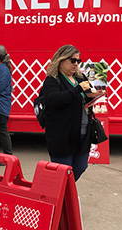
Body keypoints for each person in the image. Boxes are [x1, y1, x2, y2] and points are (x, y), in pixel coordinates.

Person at [40, 44, 105, 181]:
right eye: (72, 60)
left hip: (83, 133)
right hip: (62, 136)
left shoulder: (81, 78)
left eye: (78, 61)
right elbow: (53, 100)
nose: (76, 64)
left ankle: (63, 193)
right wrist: (77, 90)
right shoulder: (52, 80)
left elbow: (87, 95)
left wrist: (95, 95)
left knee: (81, 166)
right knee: (63, 172)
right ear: (61, 60)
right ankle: (61, 197)